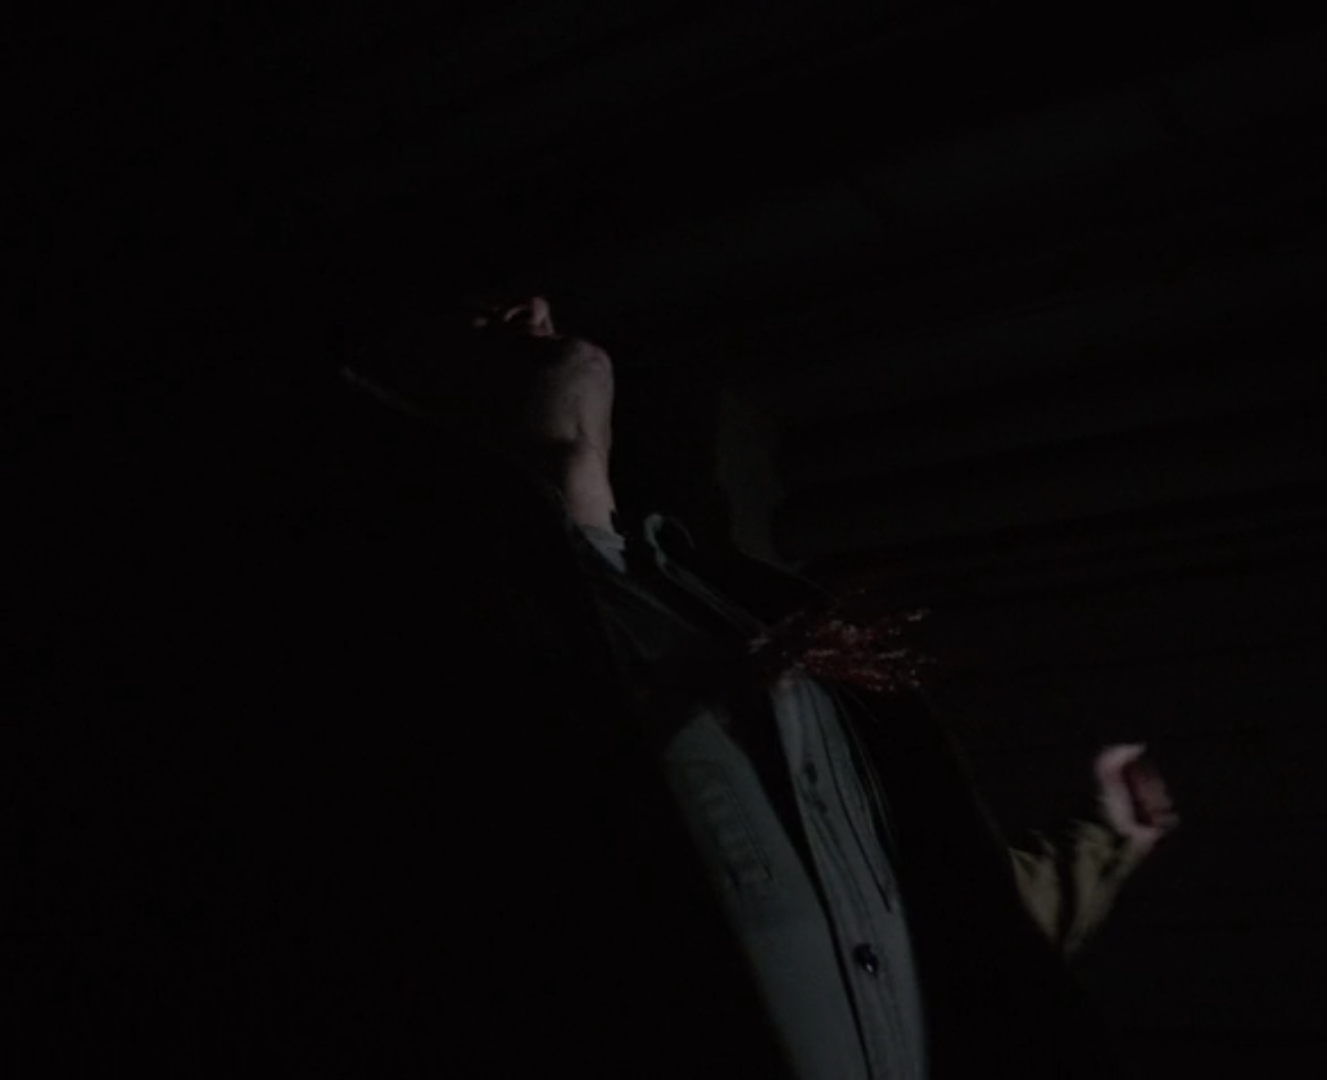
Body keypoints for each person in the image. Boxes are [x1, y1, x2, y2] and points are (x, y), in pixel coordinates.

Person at [187, 295, 1177, 1077]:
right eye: (474, 323)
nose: (531, 307)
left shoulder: (756, 625)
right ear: (402, 409)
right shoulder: (403, 663)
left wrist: (1104, 837)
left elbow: (940, 929)